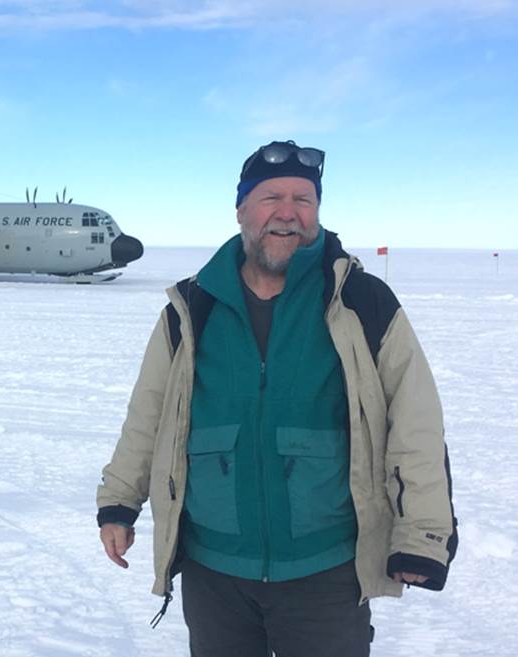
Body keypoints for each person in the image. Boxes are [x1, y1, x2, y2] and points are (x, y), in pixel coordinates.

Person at [96, 140, 457, 656]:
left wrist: (422, 534)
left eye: (303, 200)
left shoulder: (361, 301)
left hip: (326, 571)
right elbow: (150, 414)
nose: (288, 213)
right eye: (271, 198)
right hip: (213, 571)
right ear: (242, 209)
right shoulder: (191, 307)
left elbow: (417, 421)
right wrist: (119, 502)